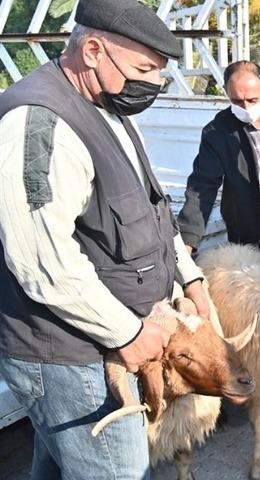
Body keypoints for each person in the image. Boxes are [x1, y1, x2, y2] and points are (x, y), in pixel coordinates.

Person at [0, 0, 210, 476]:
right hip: (70, 356)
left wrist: (190, 278)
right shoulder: (41, 121)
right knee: (117, 469)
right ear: (93, 49)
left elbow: (154, 210)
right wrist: (130, 333)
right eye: (144, 68)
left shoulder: (110, 108)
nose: (153, 85)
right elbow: (42, 262)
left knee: (60, 466)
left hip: (103, 342)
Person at [178, 61, 260, 265]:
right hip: (251, 231)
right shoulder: (218, 131)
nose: (245, 107)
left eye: (252, 99)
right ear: (225, 92)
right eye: (236, 101)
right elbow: (202, 187)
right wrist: (186, 241)